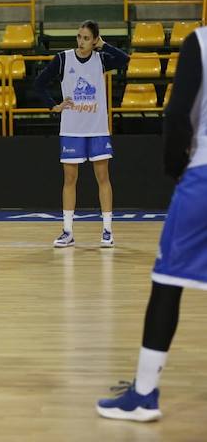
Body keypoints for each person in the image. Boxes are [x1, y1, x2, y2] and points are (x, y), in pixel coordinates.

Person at [96, 27, 207, 421]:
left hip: (204, 177)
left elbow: (177, 113)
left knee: (168, 284)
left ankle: (143, 394)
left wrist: (175, 168)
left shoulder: (202, 41)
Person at [33, 20, 130, 248]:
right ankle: (68, 231)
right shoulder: (63, 59)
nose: (81, 41)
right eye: (79, 37)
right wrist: (53, 105)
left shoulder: (101, 58)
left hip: (97, 128)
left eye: (87, 38)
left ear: (95, 39)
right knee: (69, 179)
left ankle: (107, 230)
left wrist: (104, 46)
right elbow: (39, 84)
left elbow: (125, 60)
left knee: (103, 178)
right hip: (72, 129)